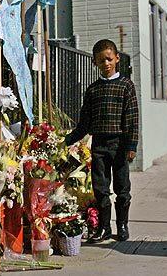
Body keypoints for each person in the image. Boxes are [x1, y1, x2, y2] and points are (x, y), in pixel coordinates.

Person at [65, 39, 139, 243]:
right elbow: (84, 123)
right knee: (100, 188)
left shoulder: (126, 85)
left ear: (116, 59)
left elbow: (132, 118)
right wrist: (68, 140)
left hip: (120, 145)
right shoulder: (93, 90)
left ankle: (122, 226)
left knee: (122, 188)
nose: (106, 63)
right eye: (100, 60)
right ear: (94, 63)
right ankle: (104, 228)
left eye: (109, 59)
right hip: (99, 146)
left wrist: (131, 145)